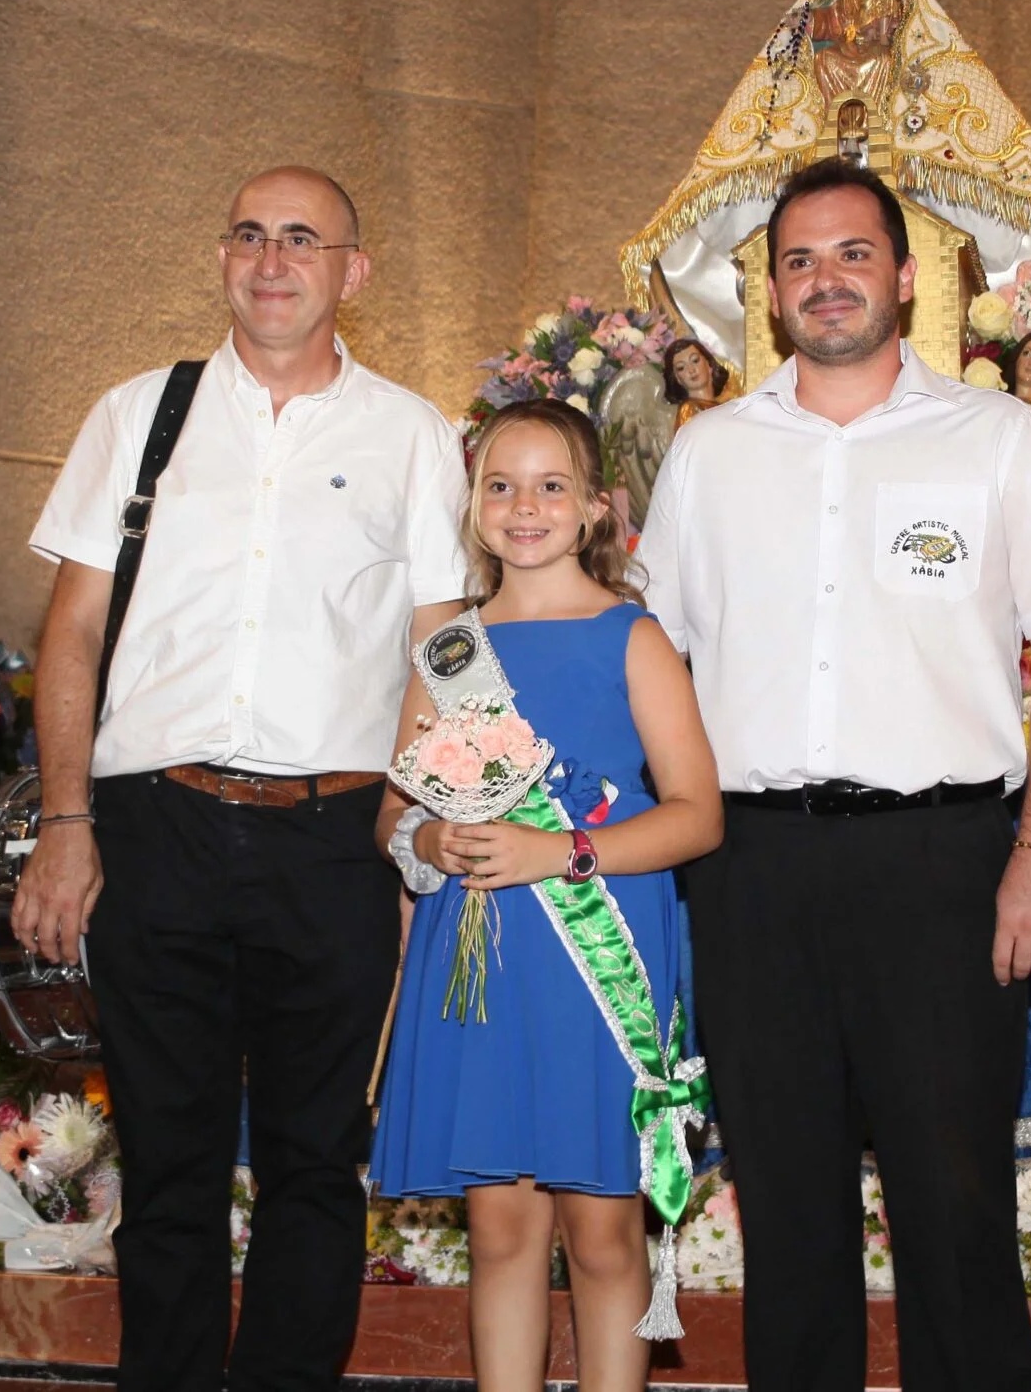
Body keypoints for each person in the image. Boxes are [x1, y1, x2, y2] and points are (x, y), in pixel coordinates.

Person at [639, 158, 1031, 1392]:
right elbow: (654, 663)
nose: (826, 280)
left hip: (945, 865)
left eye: (852, 253)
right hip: (749, 869)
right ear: (770, 293)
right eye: (798, 260)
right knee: (787, 1210)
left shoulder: (997, 437)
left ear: (906, 280)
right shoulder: (709, 456)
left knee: (954, 1206)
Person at [11, 165, 469, 1392]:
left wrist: (413, 811)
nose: (273, 260)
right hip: (154, 826)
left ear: (350, 274)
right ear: (223, 258)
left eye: (303, 240)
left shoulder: (413, 434)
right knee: (167, 1161)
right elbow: (71, 634)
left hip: (335, 839)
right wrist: (67, 821)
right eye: (251, 236)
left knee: (319, 1162)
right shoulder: (138, 414)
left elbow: (443, 638)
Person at [368, 399, 723, 1392]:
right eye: (500, 485)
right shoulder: (449, 650)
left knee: (602, 1228)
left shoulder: (632, 638)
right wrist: (431, 835)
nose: (524, 506)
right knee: (500, 1226)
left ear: (595, 509)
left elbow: (698, 815)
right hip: (476, 954)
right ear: (472, 503)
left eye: (550, 485)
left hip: (596, 949)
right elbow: (394, 819)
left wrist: (556, 853)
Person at [664, 338, 731, 430]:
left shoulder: (722, 407)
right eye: (681, 368)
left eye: (695, 360)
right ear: (677, 379)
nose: (691, 370)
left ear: (709, 365)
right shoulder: (689, 409)